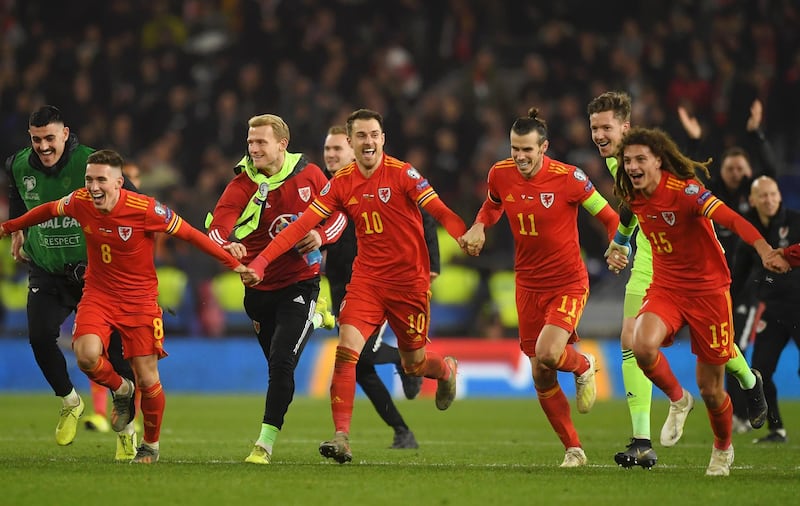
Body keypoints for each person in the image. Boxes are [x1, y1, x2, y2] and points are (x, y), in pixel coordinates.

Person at [241, 108, 466, 464]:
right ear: (351, 141)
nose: (368, 141)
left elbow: (437, 211)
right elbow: (300, 228)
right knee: (346, 353)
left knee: (413, 364)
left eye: (374, 135)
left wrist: (465, 234)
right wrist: (261, 261)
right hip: (367, 282)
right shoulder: (341, 183)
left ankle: (446, 370)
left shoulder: (403, 173)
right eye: (361, 136)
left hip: (409, 285)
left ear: (383, 139)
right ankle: (341, 437)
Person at [0, 149, 253, 464]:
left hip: (140, 301)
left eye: (101, 180)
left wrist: (234, 264)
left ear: (120, 182)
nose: (93, 186)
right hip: (99, 293)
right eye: (89, 179)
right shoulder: (80, 201)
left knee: (148, 379)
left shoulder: (147, 210)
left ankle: (151, 445)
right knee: (86, 356)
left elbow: (191, 235)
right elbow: (47, 210)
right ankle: (121, 390)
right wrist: (10, 227)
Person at [588, 91, 767, 468]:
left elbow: (686, 198)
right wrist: (619, 244)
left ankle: (749, 383)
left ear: (626, 127)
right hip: (651, 263)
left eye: (606, 127)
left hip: (690, 265)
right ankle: (642, 438)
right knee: (632, 341)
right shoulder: (619, 166)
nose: (600, 135)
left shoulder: (652, 163)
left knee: (714, 355)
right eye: (595, 128)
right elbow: (629, 207)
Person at [460, 108, 618, 468]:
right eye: (515, 148)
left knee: (549, 353)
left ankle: (582, 365)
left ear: (543, 147)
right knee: (541, 372)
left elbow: (609, 217)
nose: (520, 157)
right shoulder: (500, 174)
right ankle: (574, 449)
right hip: (527, 285)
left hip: (567, 282)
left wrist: (616, 244)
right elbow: (492, 206)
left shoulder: (570, 179)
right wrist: (480, 226)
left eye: (527, 150)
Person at [206, 114, 345, 465]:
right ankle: (313, 321)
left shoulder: (309, 175)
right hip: (258, 289)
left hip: (300, 281)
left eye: (261, 142)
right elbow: (217, 229)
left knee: (282, 365)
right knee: (277, 363)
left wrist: (321, 235)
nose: (253, 149)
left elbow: (341, 213)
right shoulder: (240, 185)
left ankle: (264, 444)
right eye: (250, 142)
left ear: (282, 144)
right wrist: (231, 246)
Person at [3, 105, 138, 459]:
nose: (43, 147)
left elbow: (135, 202)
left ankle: (126, 430)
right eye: (36, 139)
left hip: (96, 274)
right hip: (47, 269)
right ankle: (70, 401)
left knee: (117, 357)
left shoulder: (92, 163)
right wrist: (17, 231)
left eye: (50, 138)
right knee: (39, 337)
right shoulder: (17, 165)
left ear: (65, 134)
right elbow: (18, 199)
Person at [322, 125, 436, 450]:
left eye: (337, 149)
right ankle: (402, 431)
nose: (331, 155)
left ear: (352, 150)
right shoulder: (327, 187)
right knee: (360, 369)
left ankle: (403, 362)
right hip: (340, 284)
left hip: (378, 281)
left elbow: (423, 218)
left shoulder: (377, 180)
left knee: (361, 357)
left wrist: (434, 266)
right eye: (327, 150)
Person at [678, 99, 779, 430]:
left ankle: (739, 411)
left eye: (741, 169)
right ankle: (738, 407)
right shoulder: (712, 196)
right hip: (713, 283)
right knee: (723, 348)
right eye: (730, 168)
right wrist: (693, 142)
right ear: (721, 172)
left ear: (750, 173)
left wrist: (758, 135)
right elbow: (686, 179)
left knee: (736, 346)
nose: (736, 173)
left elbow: (770, 175)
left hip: (746, 286)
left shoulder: (754, 202)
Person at [730, 176, 800, 444]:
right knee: (760, 370)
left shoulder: (796, 221)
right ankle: (777, 429)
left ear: (780, 196)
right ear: (753, 200)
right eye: (763, 196)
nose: (769, 200)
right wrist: (730, 302)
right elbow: (740, 273)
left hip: (799, 304)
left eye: (772, 194)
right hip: (771, 308)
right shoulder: (750, 233)